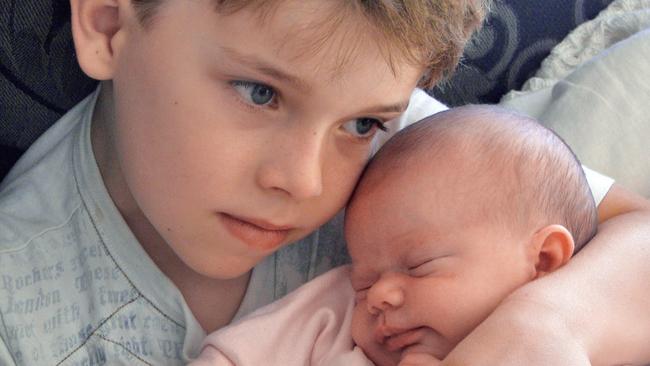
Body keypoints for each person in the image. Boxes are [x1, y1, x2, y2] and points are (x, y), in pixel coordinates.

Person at [0, 0, 649, 365]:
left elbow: (636, 233)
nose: (307, 181)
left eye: (361, 122)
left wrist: (547, 327)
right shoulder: (20, 315)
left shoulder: (400, 149)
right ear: (110, 22)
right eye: (260, 93)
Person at [187, 105, 599, 366]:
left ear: (543, 260)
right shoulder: (336, 320)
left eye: (419, 267)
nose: (378, 296)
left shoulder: (582, 342)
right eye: (363, 282)